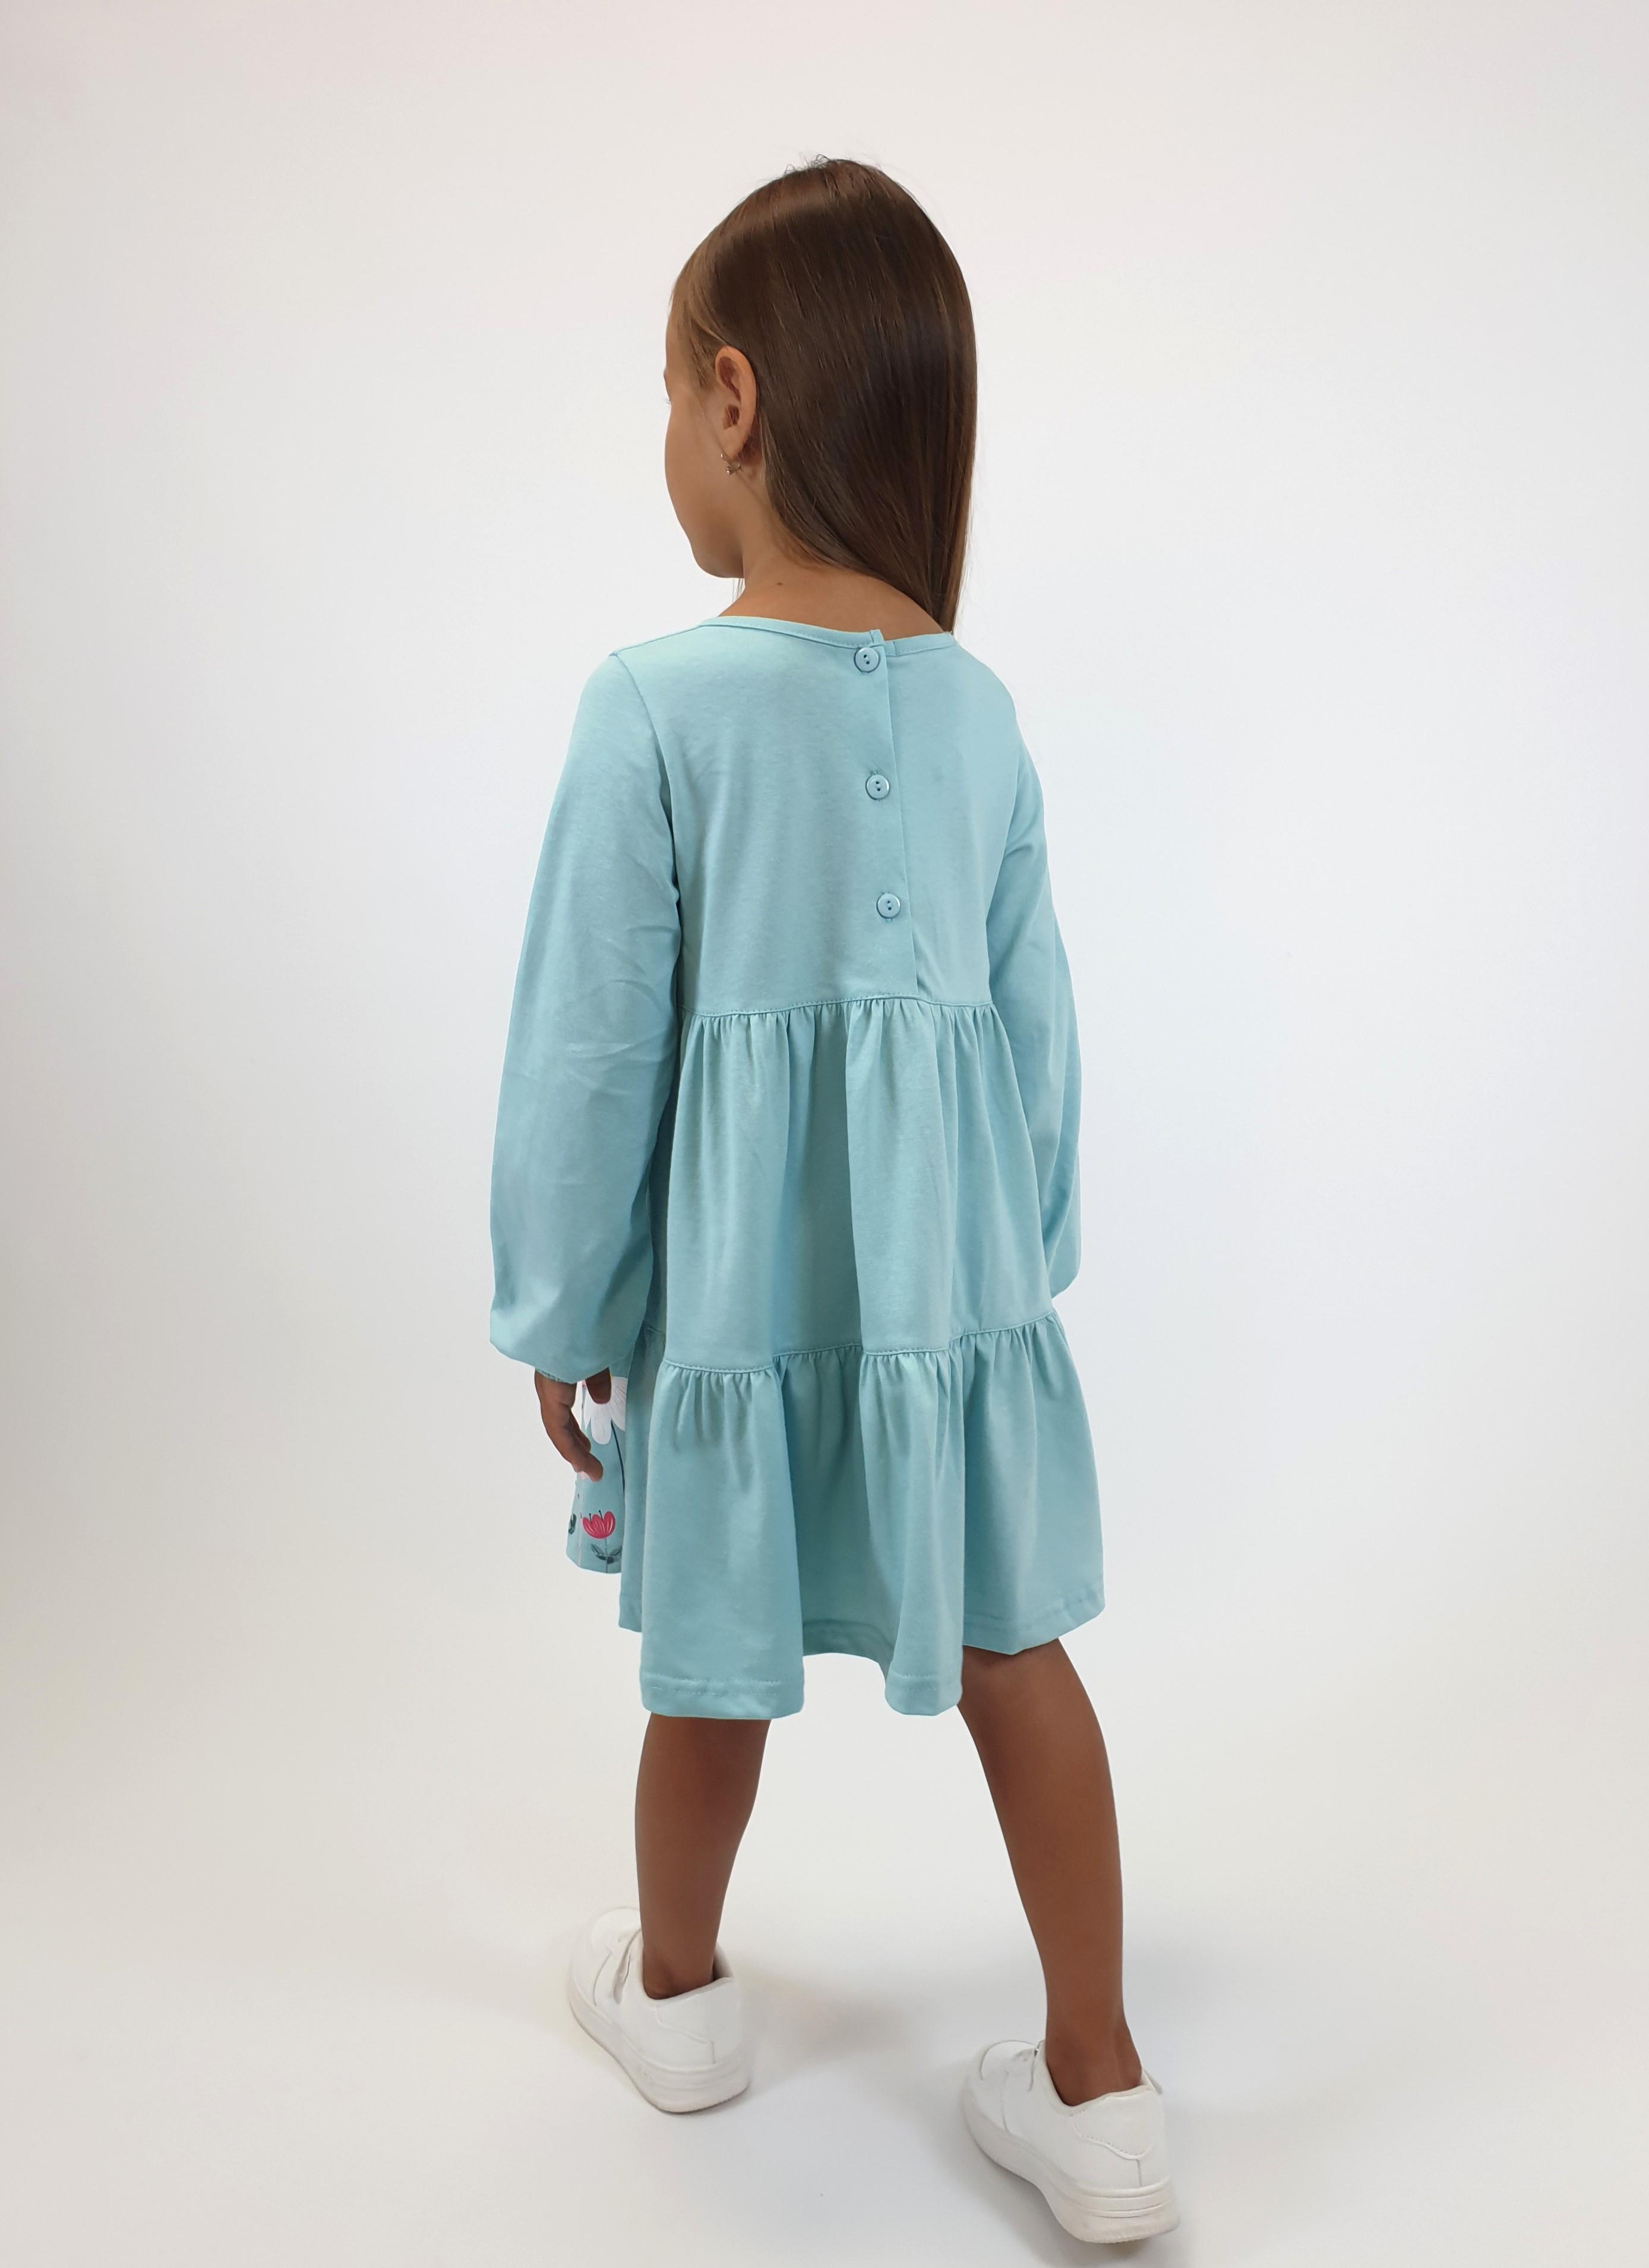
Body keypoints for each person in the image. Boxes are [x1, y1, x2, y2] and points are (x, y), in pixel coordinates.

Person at [488, 156, 1178, 2246]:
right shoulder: (981, 712)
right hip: (954, 1317)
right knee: (1018, 1653)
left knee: (705, 1658)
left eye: (664, 393)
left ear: (733, 397)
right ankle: (1101, 2087)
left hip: (732, 1314)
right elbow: (1039, 1041)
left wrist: (567, 1305)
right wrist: (1006, 1280)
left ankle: (679, 1993)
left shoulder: (651, 706)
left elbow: (589, 1050)